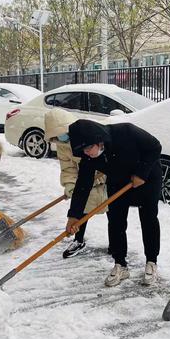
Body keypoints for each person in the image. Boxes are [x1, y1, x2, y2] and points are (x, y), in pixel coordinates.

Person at [65, 119, 162, 287]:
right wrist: (74, 215)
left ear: (98, 139)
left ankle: (151, 262)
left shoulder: (126, 132)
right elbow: (83, 185)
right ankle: (120, 264)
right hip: (118, 181)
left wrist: (142, 173)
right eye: (83, 151)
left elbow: (155, 147)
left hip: (146, 179)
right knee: (115, 221)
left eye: (89, 148)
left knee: (148, 219)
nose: (87, 153)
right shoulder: (88, 156)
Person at [44, 109, 107, 258]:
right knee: (81, 209)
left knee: (114, 212)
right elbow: (68, 168)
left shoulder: (87, 134)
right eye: (57, 134)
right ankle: (78, 240)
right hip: (84, 181)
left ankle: (116, 244)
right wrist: (71, 185)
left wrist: (100, 176)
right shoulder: (62, 145)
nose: (62, 136)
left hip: (104, 178)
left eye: (64, 132)